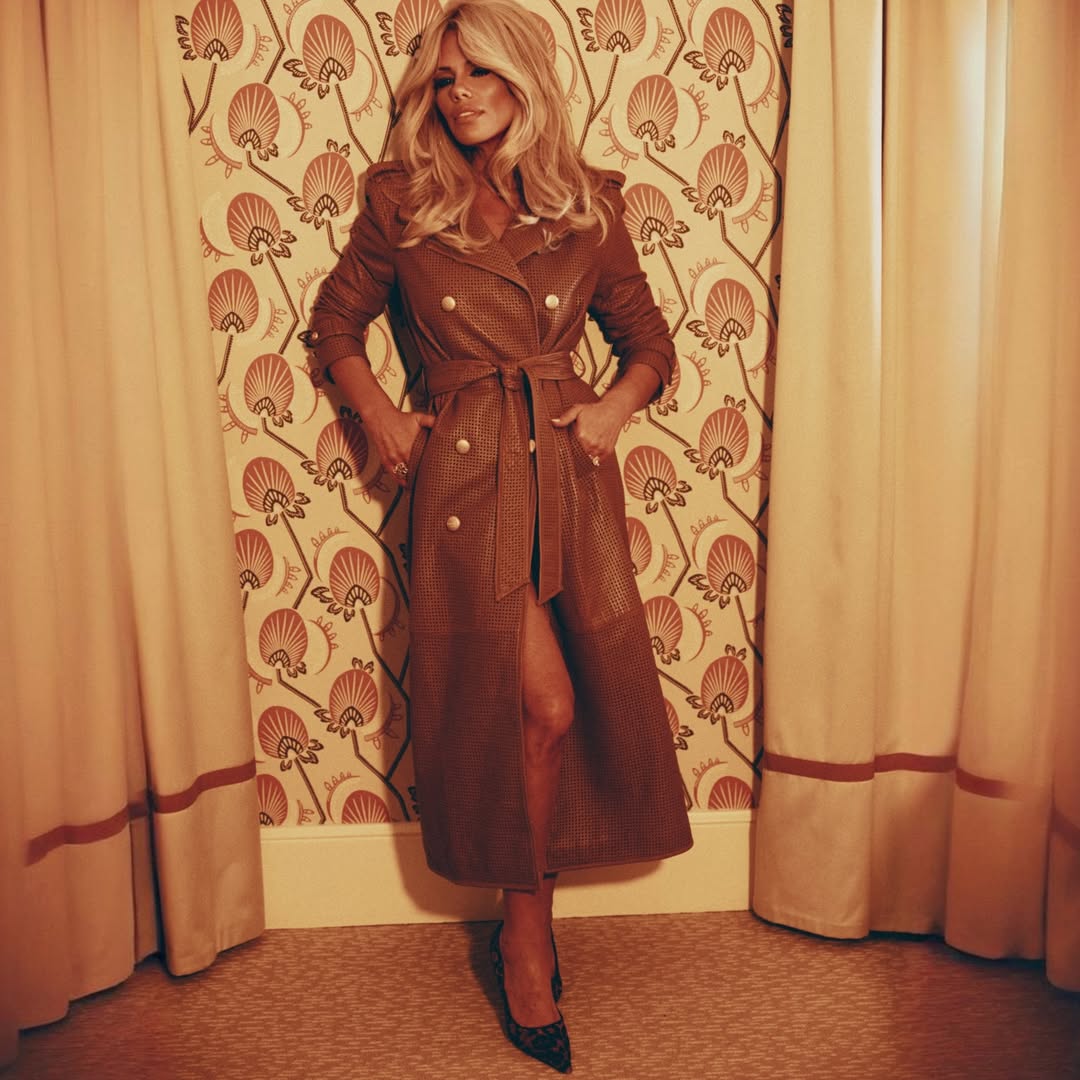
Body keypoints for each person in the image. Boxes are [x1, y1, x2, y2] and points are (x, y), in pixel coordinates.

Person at [303, 1, 691, 1070]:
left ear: (526, 80)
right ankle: (527, 939)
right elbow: (335, 322)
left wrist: (612, 410)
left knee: (578, 704)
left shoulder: (589, 204)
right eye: (444, 77)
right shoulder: (402, 201)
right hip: (468, 479)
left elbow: (648, 340)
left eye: (480, 73)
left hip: (567, 474)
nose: (461, 94)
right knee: (542, 703)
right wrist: (381, 416)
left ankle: (529, 926)